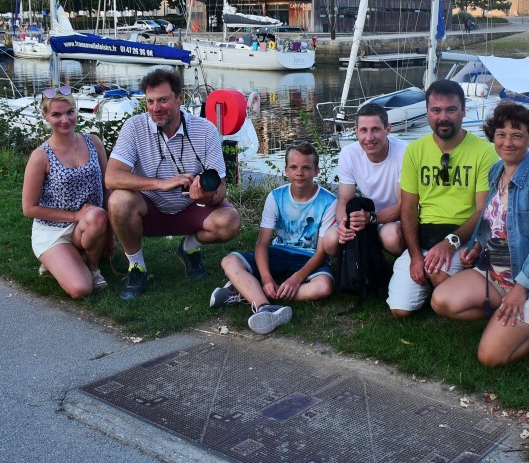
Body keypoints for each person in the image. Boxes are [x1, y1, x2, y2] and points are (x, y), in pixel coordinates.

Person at [431, 103, 529, 366]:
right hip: (495, 276)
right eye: (501, 135)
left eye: (517, 135)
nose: (508, 142)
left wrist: (520, 289)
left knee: (490, 357)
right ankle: (505, 317)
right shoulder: (496, 171)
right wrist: (478, 247)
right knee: (441, 301)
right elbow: (492, 222)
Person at [105, 68, 241, 300]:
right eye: (150, 101)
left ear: (180, 98)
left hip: (191, 208)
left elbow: (221, 187)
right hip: (148, 208)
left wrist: (206, 196)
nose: (155, 108)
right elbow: (111, 177)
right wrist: (161, 184)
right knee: (118, 200)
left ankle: (188, 248)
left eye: (163, 100)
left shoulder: (205, 129)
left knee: (230, 221)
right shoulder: (134, 127)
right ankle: (136, 266)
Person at [387, 80, 498, 318]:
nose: (443, 117)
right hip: (426, 235)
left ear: (464, 111)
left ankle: (456, 282)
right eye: (436, 110)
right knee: (399, 310)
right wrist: (415, 257)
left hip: (463, 236)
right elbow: (408, 208)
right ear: (427, 112)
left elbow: (483, 210)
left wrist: (450, 243)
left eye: (451, 110)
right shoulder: (415, 151)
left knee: (440, 277)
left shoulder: (484, 152)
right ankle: (431, 279)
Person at [211, 143, 336, 334]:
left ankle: (246, 291)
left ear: (316, 171)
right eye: (293, 167)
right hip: (279, 251)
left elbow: (321, 252)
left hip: (310, 256)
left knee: (324, 287)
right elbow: (262, 243)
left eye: (306, 168)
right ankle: (264, 307)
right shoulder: (276, 197)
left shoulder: (329, 201)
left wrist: (297, 278)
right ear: (286, 170)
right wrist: (267, 278)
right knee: (229, 261)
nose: (299, 173)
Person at [22, 86, 111, 299]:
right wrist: (74, 216)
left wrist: (111, 235)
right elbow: (29, 208)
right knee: (80, 289)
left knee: (97, 214)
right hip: (52, 230)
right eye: (56, 114)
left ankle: (93, 267)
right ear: (45, 117)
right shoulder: (40, 156)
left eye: (70, 112)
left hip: (90, 223)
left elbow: (107, 187)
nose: (65, 120)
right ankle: (55, 258)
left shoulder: (94, 143)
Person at [323, 103, 406, 259]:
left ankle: (397, 263)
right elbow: (344, 201)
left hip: (394, 219)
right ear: (356, 131)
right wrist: (345, 224)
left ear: (388, 129)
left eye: (375, 129)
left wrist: (371, 217)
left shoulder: (404, 152)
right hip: (364, 217)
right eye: (363, 130)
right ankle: (357, 266)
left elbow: (405, 206)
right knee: (330, 240)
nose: (369, 138)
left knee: (392, 237)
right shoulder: (349, 153)